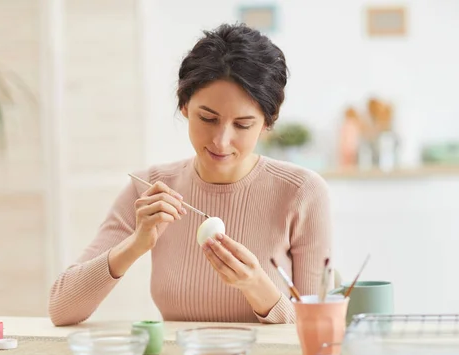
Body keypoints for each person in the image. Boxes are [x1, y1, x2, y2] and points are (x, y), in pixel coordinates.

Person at [48, 22, 331, 326]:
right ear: (184, 106)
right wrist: (135, 245)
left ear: (266, 123)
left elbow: (317, 330)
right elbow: (62, 309)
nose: (221, 141)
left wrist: (256, 287)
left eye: (243, 125)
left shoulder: (302, 192)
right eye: (208, 118)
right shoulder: (149, 189)